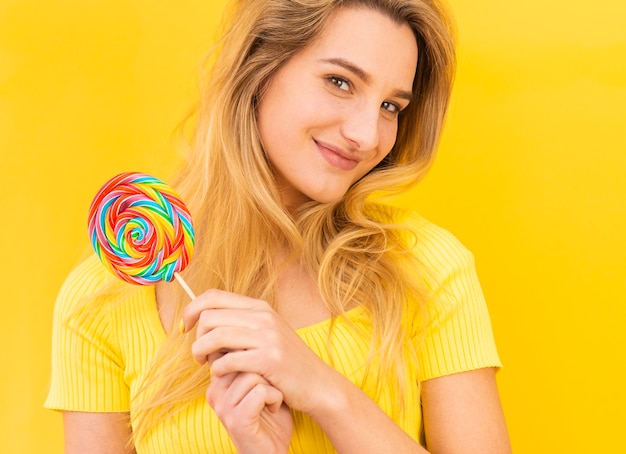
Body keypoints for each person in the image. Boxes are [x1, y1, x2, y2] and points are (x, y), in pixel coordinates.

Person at [46, 0, 512, 452]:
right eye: (340, 81)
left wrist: (327, 392)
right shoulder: (101, 301)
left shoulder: (427, 269)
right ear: (258, 68)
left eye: (391, 106)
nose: (368, 135)